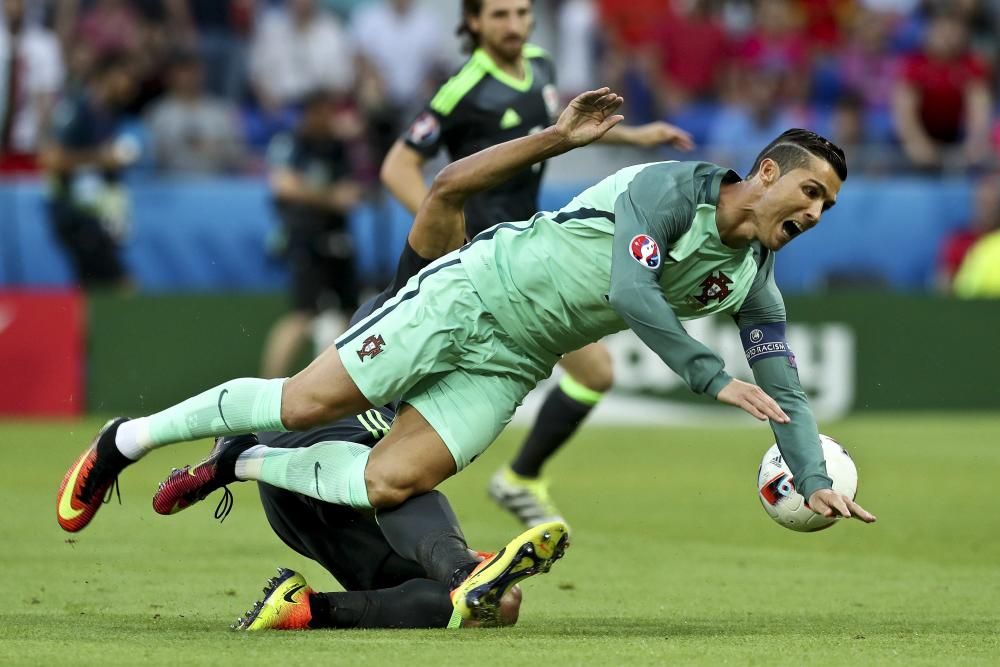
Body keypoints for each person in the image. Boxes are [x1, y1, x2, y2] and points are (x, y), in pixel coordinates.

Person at [57, 89, 877, 596]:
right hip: (472, 293)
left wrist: (812, 474)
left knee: (389, 481)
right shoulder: (674, 187)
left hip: (515, 359)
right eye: (809, 191)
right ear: (766, 174)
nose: (811, 214)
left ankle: (238, 459)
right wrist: (707, 375)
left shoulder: (752, 280)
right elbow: (632, 288)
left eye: (826, 208)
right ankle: (122, 441)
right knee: (305, 400)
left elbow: (788, 387)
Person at [380, 0, 696, 528]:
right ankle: (479, 480)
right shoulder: (462, 90)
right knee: (421, 379)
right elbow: (398, 165)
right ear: (474, 23)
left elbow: (558, 128)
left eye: (522, 13)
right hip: (480, 261)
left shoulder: (541, 66)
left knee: (591, 373)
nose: (514, 25)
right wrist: (443, 228)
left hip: (526, 249)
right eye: (500, 15)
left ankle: (512, 477)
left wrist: (634, 136)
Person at [260, 90, 364, 379]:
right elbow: (284, 186)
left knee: (350, 314)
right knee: (302, 315)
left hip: (338, 237)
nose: (330, 118)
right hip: (305, 238)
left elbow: (353, 189)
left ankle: (340, 385)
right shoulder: (293, 143)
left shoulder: (338, 147)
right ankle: (269, 386)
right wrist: (330, 197)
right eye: (324, 112)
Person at [39, 52, 137, 289]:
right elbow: (50, 159)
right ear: (108, 76)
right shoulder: (78, 109)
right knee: (123, 286)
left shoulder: (111, 114)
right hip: (74, 211)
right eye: (127, 76)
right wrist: (101, 158)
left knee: (90, 288)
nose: (132, 85)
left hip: (96, 213)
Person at [146, 50, 245, 175]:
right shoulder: (158, 113)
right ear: (170, 75)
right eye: (183, 70)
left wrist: (216, 146)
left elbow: (239, 154)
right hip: (171, 185)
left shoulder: (221, 111)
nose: (189, 76)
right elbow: (150, 157)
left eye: (194, 70)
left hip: (216, 186)